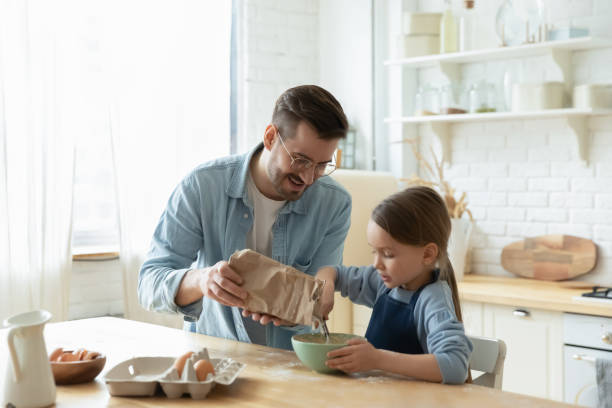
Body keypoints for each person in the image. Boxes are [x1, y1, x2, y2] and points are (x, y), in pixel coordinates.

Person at [138, 85, 352, 350]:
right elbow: (150, 283)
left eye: (322, 165)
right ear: (271, 137)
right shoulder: (203, 186)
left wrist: (314, 302)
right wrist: (202, 281)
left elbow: (319, 291)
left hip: (291, 364)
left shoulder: (335, 203)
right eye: (300, 160)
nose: (309, 178)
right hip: (213, 360)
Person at [315, 186, 473, 384]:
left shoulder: (433, 299)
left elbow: (455, 365)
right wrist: (325, 288)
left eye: (388, 254)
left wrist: (378, 359)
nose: (376, 264)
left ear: (427, 254)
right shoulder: (385, 280)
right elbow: (332, 272)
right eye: (375, 251)